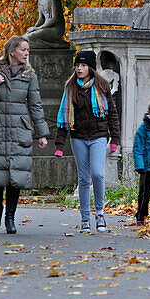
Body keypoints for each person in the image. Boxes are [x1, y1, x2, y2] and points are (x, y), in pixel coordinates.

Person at [0, 36, 49, 234]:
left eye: (28, 50)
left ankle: (10, 217)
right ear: (12, 51)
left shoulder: (29, 75)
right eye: (23, 49)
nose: (26, 53)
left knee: (15, 176)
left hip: (19, 129)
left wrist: (41, 133)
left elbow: (35, 104)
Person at [54, 49, 120, 233]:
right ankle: (84, 219)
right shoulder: (71, 87)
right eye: (77, 65)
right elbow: (63, 116)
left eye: (83, 65)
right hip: (78, 137)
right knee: (83, 179)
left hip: (99, 136)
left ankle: (99, 213)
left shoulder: (102, 85)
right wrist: (59, 145)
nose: (79, 69)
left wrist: (115, 138)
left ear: (90, 67)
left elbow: (112, 114)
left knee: (97, 174)